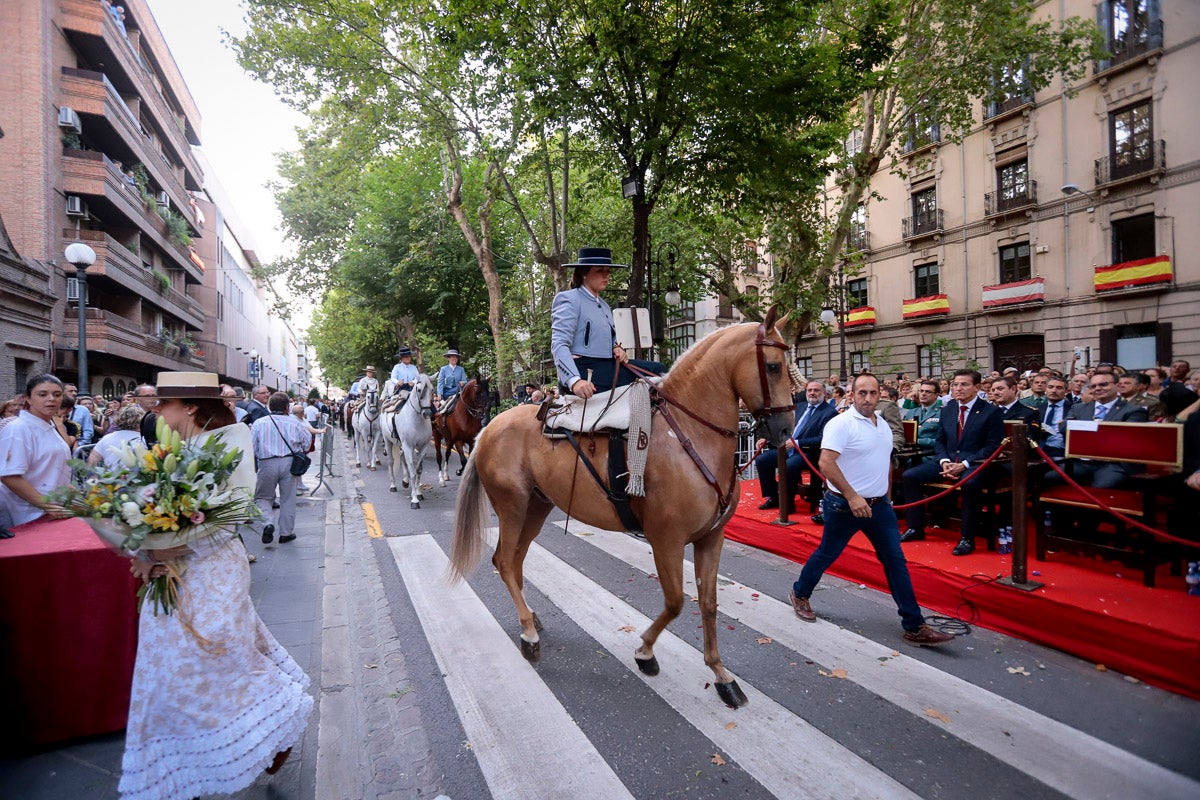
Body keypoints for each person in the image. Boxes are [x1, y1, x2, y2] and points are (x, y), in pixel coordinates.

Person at [118, 372, 311, 798]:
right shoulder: (174, 449)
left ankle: (276, 722)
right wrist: (144, 551)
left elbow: (228, 514)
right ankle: (184, 767)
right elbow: (164, 515)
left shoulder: (230, 442)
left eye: (162, 404)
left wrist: (165, 548)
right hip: (172, 574)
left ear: (188, 406)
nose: (156, 411)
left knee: (214, 658)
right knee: (167, 670)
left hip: (210, 570)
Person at [786, 374, 954, 647]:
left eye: (872, 393)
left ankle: (914, 625)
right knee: (827, 553)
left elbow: (883, 463)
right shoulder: (840, 424)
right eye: (861, 393)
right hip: (844, 505)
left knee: (895, 562)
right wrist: (852, 497)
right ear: (851, 395)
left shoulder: (883, 426)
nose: (866, 398)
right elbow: (826, 463)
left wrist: (886, 497)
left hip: (879, 507)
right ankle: (800, 592)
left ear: (880, 396)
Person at [900, 369, 1005, 556]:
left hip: (974, 462)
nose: (958, 388)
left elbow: (992, 446)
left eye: (964, 384)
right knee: (910, 476)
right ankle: (915, 527)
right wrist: (944, 461)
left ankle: (967, 538)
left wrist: (963, 464)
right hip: (947, 459)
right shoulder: (948, 410)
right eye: (955, 384)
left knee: (970, 484)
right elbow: (940, 441)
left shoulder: (991, 412)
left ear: (977, 387)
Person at [550, 247, 664, 398]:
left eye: (608, 271)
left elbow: (608, 340)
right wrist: (574, 381)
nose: (606, 276)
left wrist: (616, 348)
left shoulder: (603, 305)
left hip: (607, 365)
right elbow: (559, 344)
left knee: (660, 370)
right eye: (599, 271)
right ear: (584, 273)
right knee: (658, 373)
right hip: (584, 370)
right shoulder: (569, 299)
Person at [0, 374, 72, 530]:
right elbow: (9, 476)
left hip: (54, 512)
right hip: (28, 516)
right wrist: (48, 506)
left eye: (57, 394)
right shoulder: (17, 428)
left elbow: (53, 471)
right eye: (42, 394)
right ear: (28, 399)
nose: (51, 399)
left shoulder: (49, 426)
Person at [753, 381, 836, 514]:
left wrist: (797, 443)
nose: (812, 393)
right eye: (809, 390)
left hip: (808, 452)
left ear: (824, 393)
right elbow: (784, 426)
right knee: (763, 460)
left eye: (816, 390)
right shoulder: (799, 407)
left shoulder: (830, 413)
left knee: (789, 465)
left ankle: (788, 503)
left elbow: (822, 439)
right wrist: (767, 437)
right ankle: (774, 497)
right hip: (787, 448)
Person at [1060, 372, 1149, 488]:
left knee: (1102, 487)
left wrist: (1088, 428)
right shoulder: (1079, 408)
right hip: (1081, 462)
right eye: (1093, 386)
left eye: (1103, 384)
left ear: (1117, 386)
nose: (1097, 388)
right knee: (1047, 476)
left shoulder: (1134, 410)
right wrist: (1097, 428)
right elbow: (1064, 428)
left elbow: (1125, 437)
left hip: (1113, 464)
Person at [251, 391, 313, 545]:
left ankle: (268, 523)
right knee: (288, 498)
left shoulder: (259, 423)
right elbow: (306, 444)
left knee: (263, 497)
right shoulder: (295, 423)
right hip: (289, 464)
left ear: (270, 406)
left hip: (266, 463)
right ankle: (286, 533)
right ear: (287, 408)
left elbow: (252, 446)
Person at [88, 404, 145, 470]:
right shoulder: (143, 439)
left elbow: (92, 461)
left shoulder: (107, 438)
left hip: (111, 477)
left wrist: (93, 478)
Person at [902, 380, 943, 457]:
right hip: (909, 455)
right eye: (921, 391)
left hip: (931, 455)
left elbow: (944, 441)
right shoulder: (911, 412)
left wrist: (918, 441)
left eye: (928, 392)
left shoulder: (943, 413)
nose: (923, 394)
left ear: (936, 395)